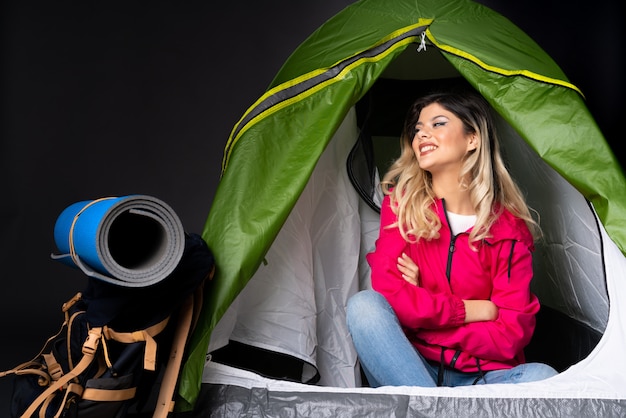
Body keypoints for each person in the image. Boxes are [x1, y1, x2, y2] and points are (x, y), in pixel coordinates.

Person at [346, 90, 558, 387]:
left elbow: (512, 334)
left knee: (543, 378)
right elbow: (389, 293)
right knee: (364, 307)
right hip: (411, 367)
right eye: (418, 128)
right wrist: (472, 310)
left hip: (482, 377)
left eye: (438, 124)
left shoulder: (509, 229)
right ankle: (432, 407)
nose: (422, 135)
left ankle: (429, 409)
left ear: (473, 139)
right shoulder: (401, 208)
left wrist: (423, 317)